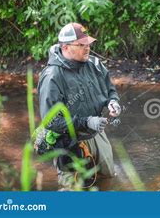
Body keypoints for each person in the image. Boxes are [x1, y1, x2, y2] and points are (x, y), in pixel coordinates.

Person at [37, 22, 122, 189]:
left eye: (88, 43)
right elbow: (51, 121)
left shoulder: (95, 65)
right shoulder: (52, 76)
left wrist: (113, 101)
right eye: (81, 45)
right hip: (70, 144)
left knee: (107, 180)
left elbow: (110, 90)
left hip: (98, 134)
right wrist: (86, 122)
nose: (87, 48)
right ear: (66, 47)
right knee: (75, 190)